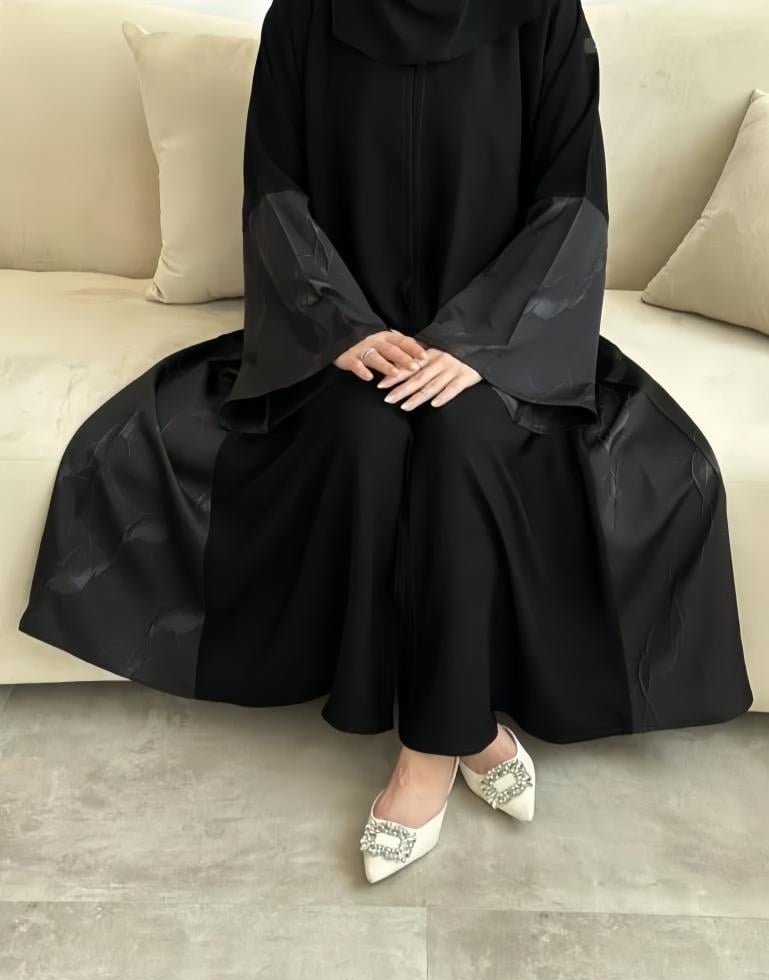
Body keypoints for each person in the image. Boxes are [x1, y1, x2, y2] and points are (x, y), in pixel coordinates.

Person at [18, 0, 753, 884]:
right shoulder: (305, 15)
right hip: (348, 337)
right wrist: (338, 327)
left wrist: (479, 344)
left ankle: (428, 749)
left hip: (503, 338)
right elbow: (274, 189)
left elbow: (572, 200)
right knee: (362, 440)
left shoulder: (542, 15)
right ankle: (472, 732)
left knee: (463, 443)